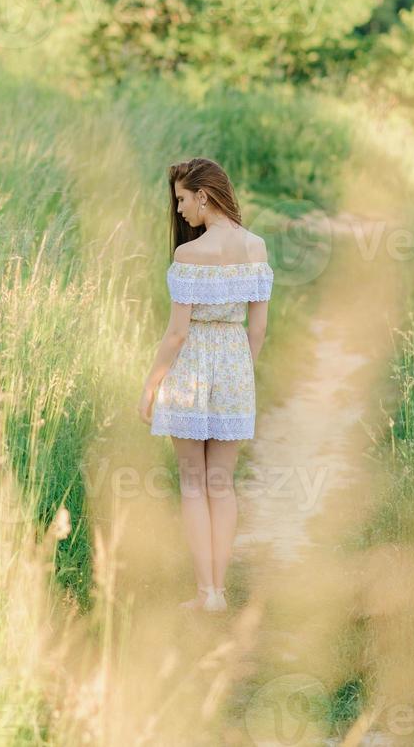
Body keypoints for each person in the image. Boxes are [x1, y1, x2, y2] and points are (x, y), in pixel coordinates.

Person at [138, 157, 274, 613]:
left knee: (193, 484)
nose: (178, 210)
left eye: (181, 199)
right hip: (235, 369)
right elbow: (258, 330)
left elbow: (177, 334)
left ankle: (207, 594)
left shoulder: (188, 255)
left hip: (192, 368)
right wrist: (240, 373)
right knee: (223, 484)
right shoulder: (256, 248)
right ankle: (220, 589)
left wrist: (152, 385)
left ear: (203, 194)